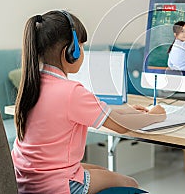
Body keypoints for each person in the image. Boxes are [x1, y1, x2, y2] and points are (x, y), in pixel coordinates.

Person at [12, 10, 166, 194]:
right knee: (130, 182)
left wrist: (130, 111)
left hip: (27, 182)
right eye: (82, 46)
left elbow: (104, 112)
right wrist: (157, 115)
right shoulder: (71, 92)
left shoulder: (33, 84)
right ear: (70, 52)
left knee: (104, 172)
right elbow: (121, 126)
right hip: (57, 186)